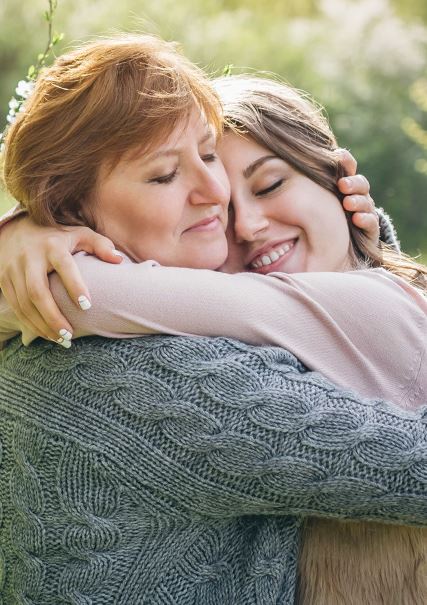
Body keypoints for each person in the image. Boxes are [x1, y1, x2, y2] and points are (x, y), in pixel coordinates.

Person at [0, 35, 426, 604]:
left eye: (205, 155)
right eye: (162, 176)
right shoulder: (157, 376)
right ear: (72, 213)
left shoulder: (68, 329)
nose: (215, 196)